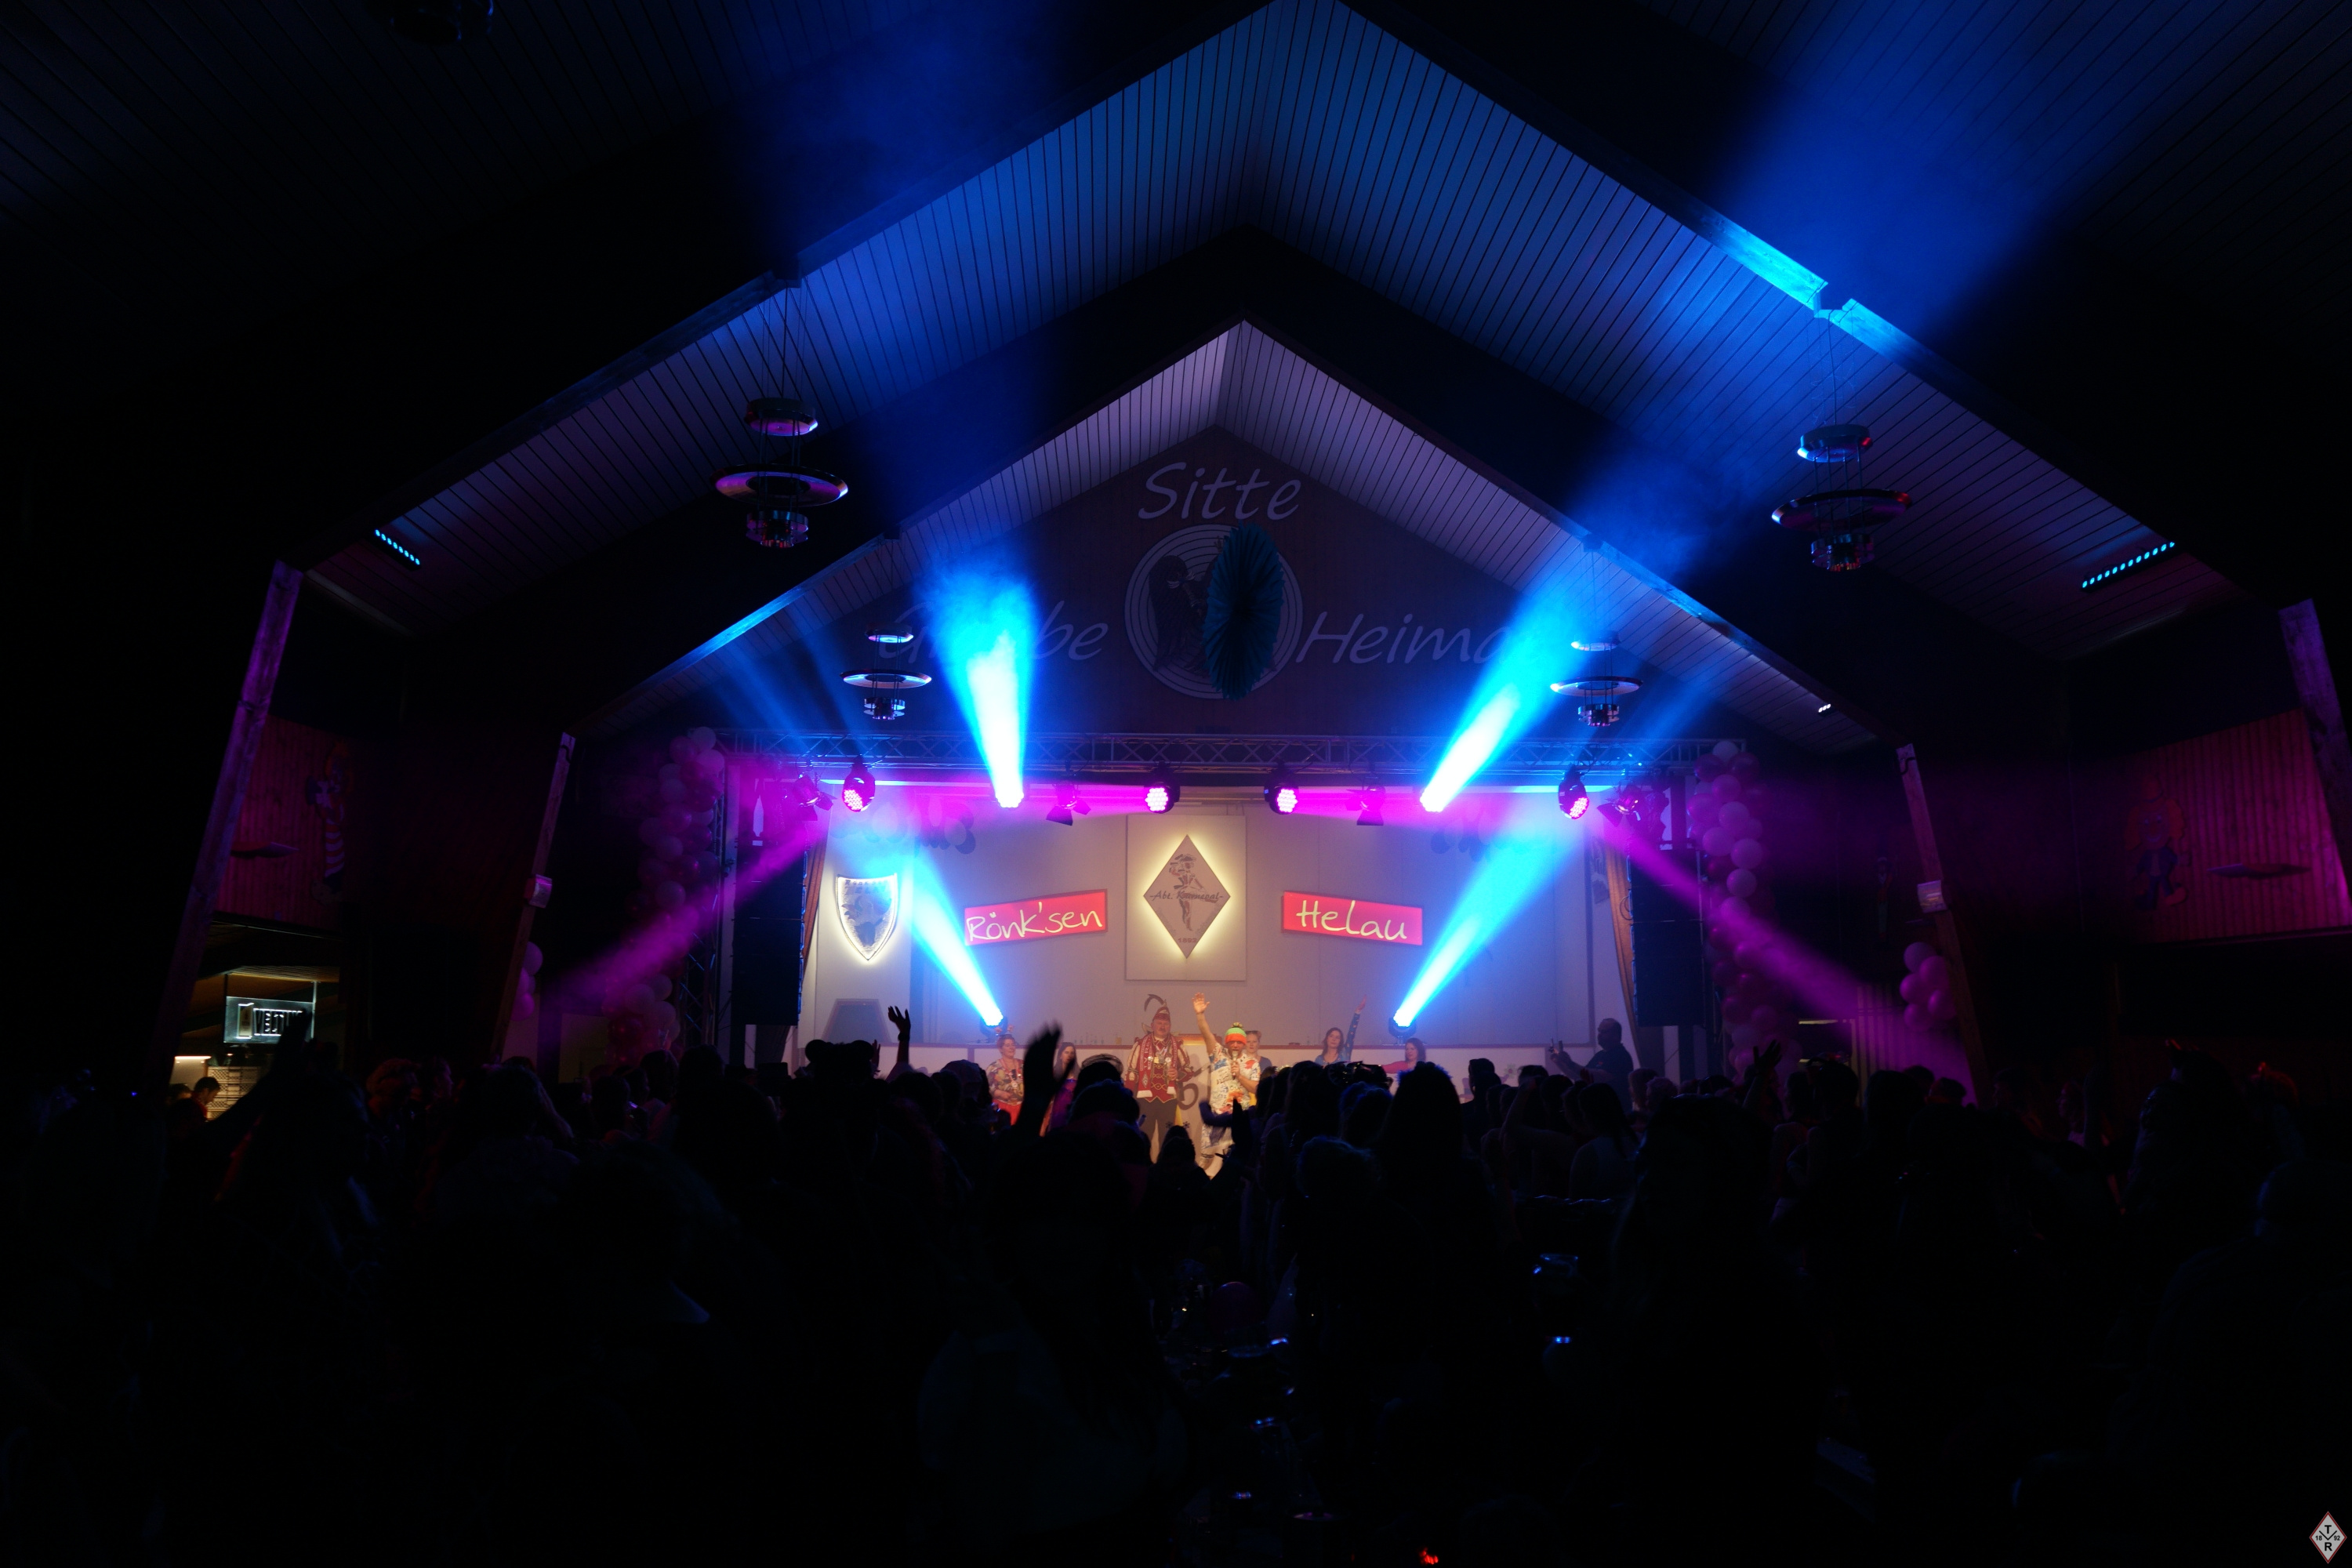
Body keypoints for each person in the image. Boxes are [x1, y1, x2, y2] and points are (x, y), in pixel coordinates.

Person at [1125, 996, 1187, 1160]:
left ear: (1170, 1026)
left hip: (1168, 1100)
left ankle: (1165, 1167)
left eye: (1166, 1024)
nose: (1162, 1026)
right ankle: (1142, 1166)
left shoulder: (1177, 1046)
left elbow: (1188, 1070)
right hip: (1145, 1099)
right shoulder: (1140, 1044)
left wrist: (1178, 1074)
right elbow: (1131, 1072)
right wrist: (1128, 1098)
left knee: (1167, 1138)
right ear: (1152, 1025)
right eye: (1159, 1023)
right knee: (1143, 1136)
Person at [1586, 1016, 1634, 1104]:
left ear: (1616, 1035)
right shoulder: (1600, 1055)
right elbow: (1580, 1076)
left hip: (1614, 1107)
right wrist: (1563, 1063)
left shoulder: (1621, 1055)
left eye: (1604, 1032)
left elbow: (1599, 1077)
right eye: (1599, 1031)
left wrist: (1570, 1064)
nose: (1599, 1035)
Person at [985, 1031, 1024, 1121]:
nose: (1011, 1048)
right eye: (1007, 1045)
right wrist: (998, 1093)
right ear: (1000, 1049)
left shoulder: (1023, 1065)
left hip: (1022, 1109)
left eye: (1013, 1045)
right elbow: (985, 1088)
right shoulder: (994, 1067)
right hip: (1002, 1110)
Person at [1317, 998, 1368, 1064]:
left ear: (1340, 1041)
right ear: (1327, 1039)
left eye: (1337, 1037)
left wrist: (1357, 1012)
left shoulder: (1345, 1052)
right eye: (1331, 1036)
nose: (1334, 1039)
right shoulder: (1319, 1060)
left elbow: (1351, 1034)